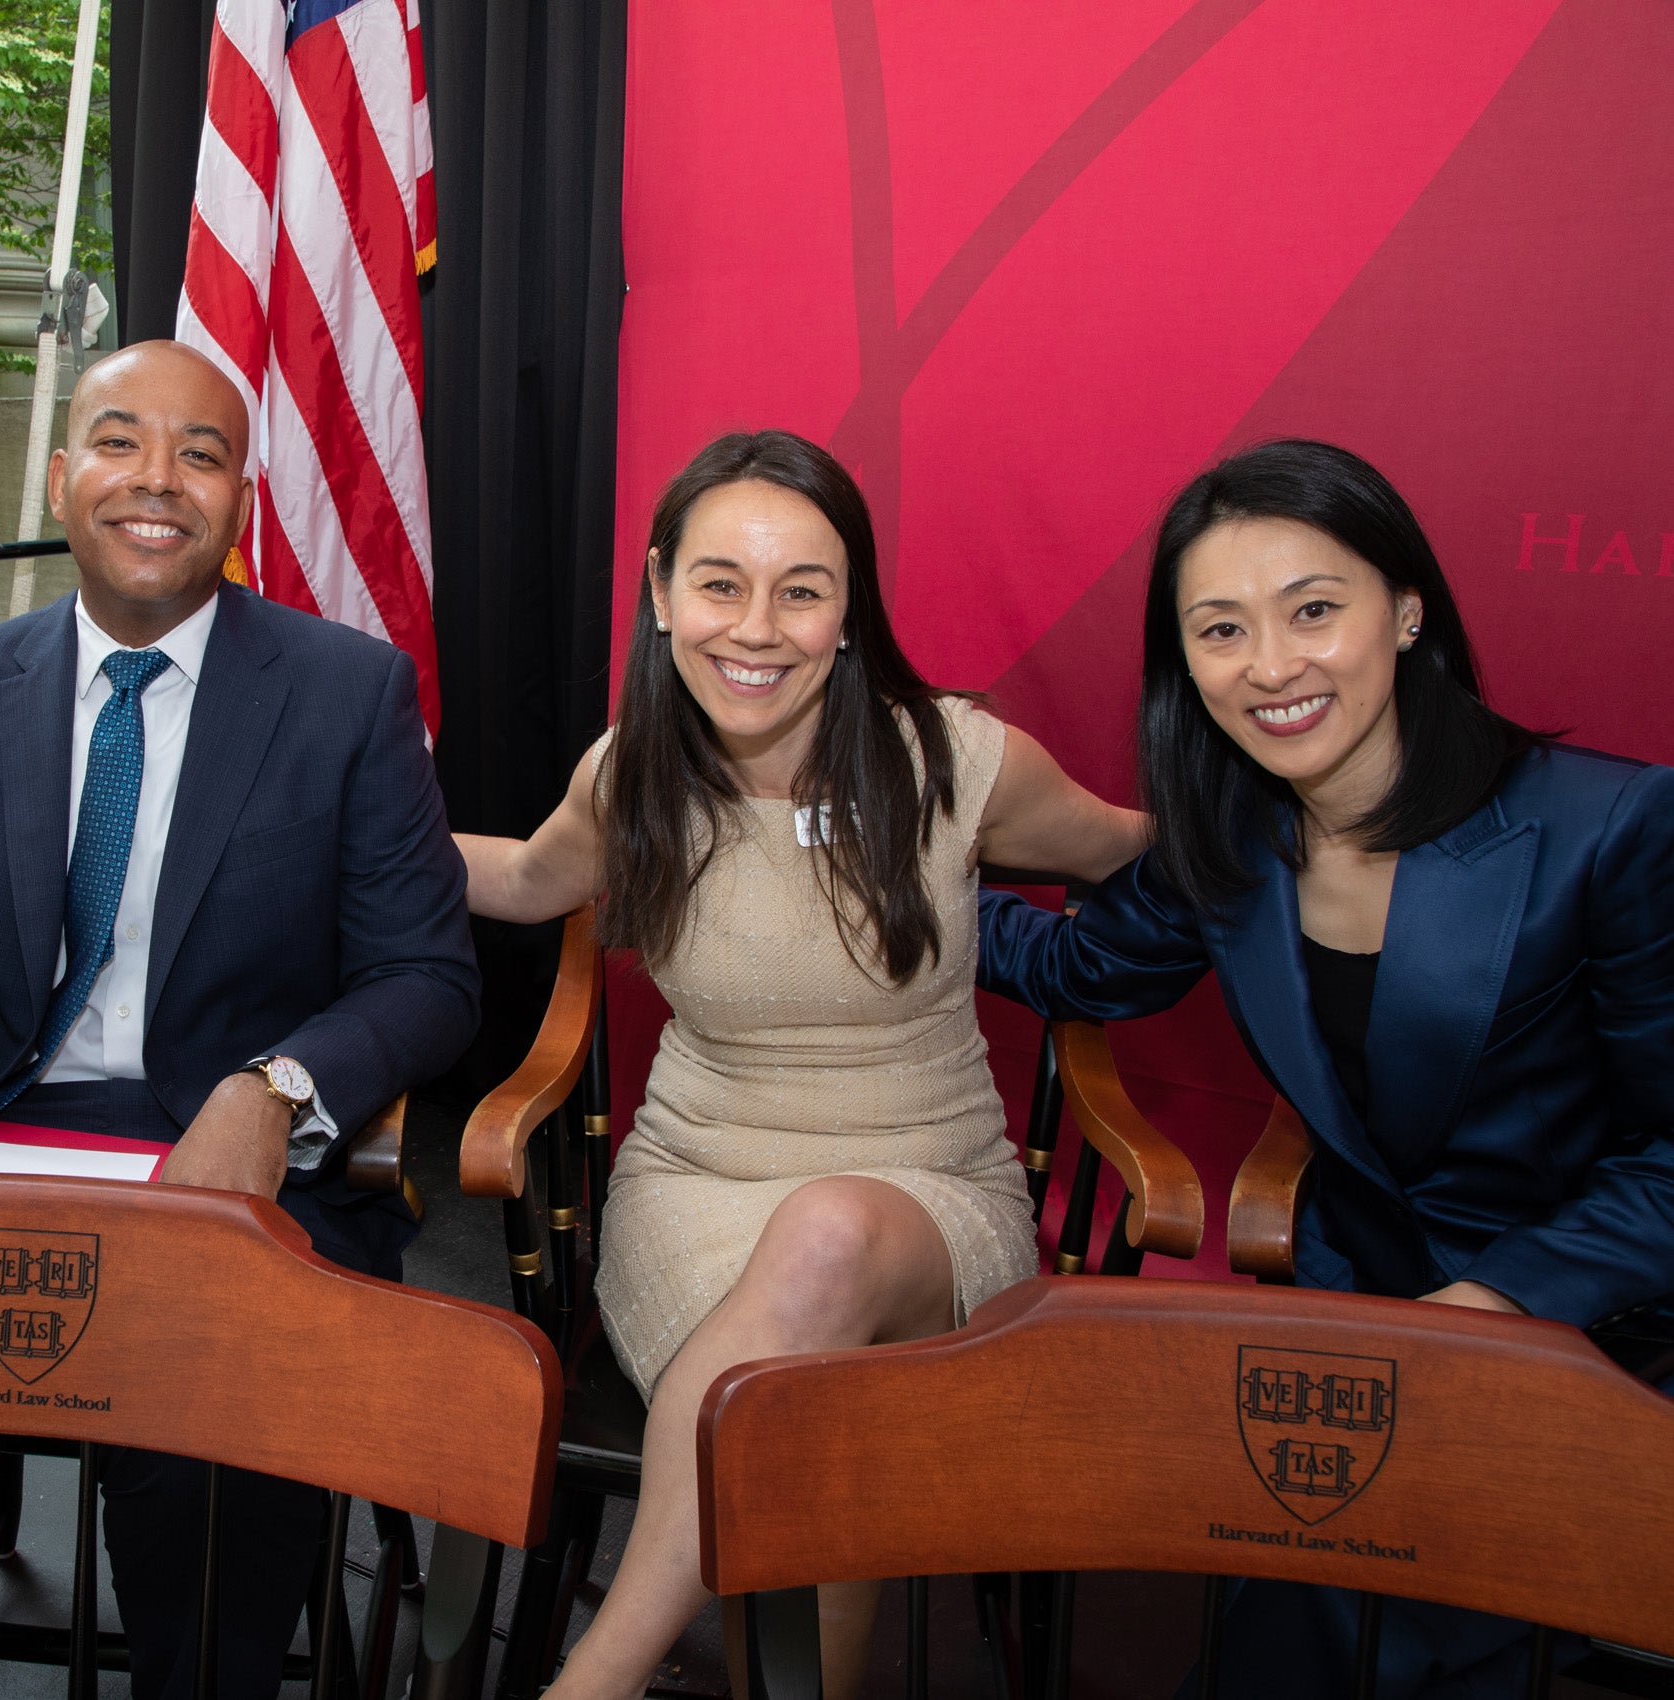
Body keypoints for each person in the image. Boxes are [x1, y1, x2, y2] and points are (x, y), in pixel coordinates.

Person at [0, 339, 478, 1699]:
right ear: (59, 474)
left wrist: (271, 1090)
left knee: (211, 1424)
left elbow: (427, 973)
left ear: (240, 495)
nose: (157, 479)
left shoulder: (344, 693)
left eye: (200, 452)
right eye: (119, 441)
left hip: (220, 1155)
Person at [457, 429, 1150, 1698]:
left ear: (849, 611)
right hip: (699, 1195)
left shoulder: (954, 761)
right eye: (721, 583)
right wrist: (335, 824)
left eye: (803, 588)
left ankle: (587, 1683)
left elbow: (1128, 850)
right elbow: (518, 876)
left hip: (935, 1197)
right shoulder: (633, 775)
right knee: (828, 1417)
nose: (757, 627)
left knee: (830, 1242)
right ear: (663, 595)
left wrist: (1333, 846)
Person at [976, 439, 1674, 1697]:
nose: (1273, 665)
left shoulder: (1609, 826)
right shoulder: (1234, 835)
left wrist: (1499, 1303)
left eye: (1313, 610)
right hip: (1358, 1323)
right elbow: (1078, 971)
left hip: (1594, 1326)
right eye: (1222, 629)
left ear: (1406, 611)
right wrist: (871, 877)